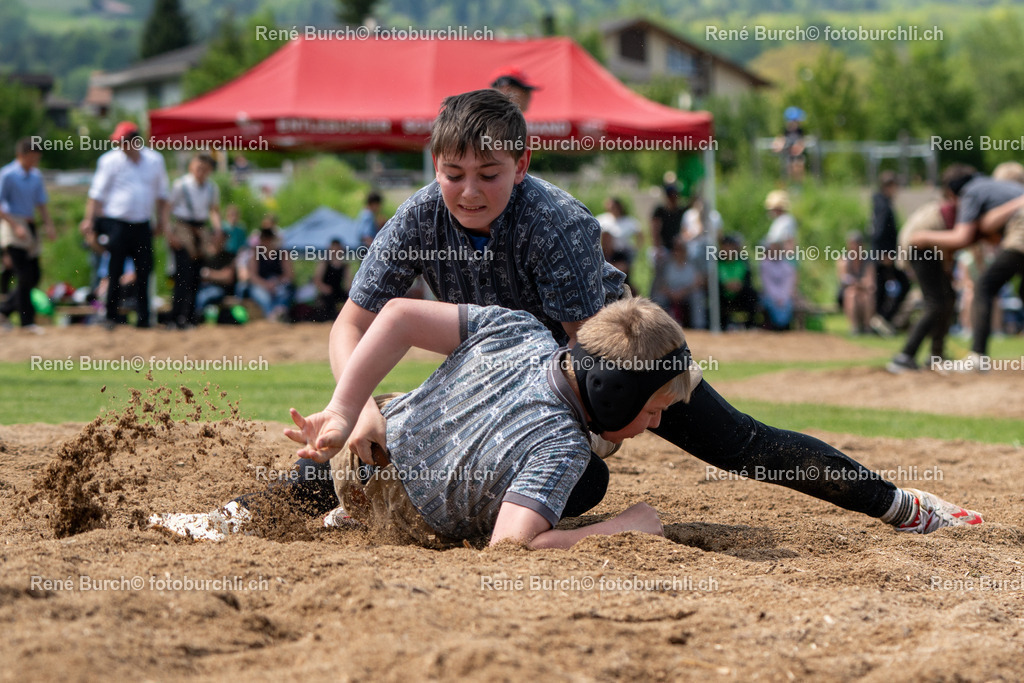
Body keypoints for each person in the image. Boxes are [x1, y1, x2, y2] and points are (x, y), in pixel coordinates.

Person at [261, 89, 978, 537]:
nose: (470, 192)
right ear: (434, 166)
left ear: (523, 163)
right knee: (359, 445)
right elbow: (357, 321)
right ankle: (256, 514)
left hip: (611, 363)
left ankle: (898, 504)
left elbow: (593, 361)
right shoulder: (420, 215)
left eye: (489, 175)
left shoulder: (556, 221)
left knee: (738, 445)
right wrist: (349, 408)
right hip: (498, 356)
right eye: (454, 175)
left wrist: (593, 433)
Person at [151, 297, 687, 546]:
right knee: (593, 481)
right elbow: (510, 547)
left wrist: (344, 409)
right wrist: (624, 527)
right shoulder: (563, 448)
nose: (654, 423)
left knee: (314, 484)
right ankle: (344, 516)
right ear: (613, 395)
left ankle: (231, 517)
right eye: (654, 410)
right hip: (404, 514)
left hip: (365, 444)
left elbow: (399, 315)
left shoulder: (518, 328)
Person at [910, 164, 1024, 371]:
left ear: (953, 192)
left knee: (985, 287)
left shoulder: (971, 192)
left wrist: (924, 237)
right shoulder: (994, 187)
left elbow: (962, 237)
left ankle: (978, 357)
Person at [80, 121, 169, 328]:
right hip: (117, 224)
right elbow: (96, 195)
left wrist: (162, 221)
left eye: (124, 142)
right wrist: (89, 221)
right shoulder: (110, 161)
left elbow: (162, 196)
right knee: (115, 270)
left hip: (142, 224)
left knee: (144, 270)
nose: (121, 146)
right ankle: (111, 316)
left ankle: (143, 317)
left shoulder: (155, 160)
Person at [886, 197, 958, 374]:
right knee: (936, 303)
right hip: (919, 248)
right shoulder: (953, 210)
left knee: (947, 298)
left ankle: (936, 356)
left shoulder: (950, 209)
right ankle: (905, 356)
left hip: (922, 247)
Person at [0, 138, 56, 333]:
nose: (34, 163)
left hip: (30, 226)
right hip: (13, 226)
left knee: (34, 275)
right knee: (23, 275)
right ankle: (26, 321)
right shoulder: (7, 174)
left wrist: (48, 224)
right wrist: (14, 225)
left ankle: (4, 310)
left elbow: (41, 202)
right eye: (32, 158)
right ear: (21, 155)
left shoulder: (36, 175)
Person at [165, 154, 221, 328]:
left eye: (205, 169)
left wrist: (218, 230)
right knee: (182, 275)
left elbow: (214, 210)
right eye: (199, 168)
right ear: (192, 167)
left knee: (196, 276)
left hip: (201, 230)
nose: (201, 172)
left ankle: (190, 316)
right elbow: (168, 209)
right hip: (183, 228)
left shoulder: (211, 188)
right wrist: (169, 233)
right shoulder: (181, 185)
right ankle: (176, 316)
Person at [870, 172, 909, 337]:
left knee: (882, 289)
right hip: (884, 255)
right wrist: (884, 254)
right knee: (902, 284)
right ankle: (882, 319)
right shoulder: (883, 206)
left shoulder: (881, 203)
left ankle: (880, 321)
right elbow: (879, 232)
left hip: (883, 254)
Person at [240, 218, 293, 321]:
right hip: (260, 284)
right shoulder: (255, 254)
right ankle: (273, 315)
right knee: (263, 296)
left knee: (283, 293)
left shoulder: (282, 254)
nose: (266, 242)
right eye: (264, 238)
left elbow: (289, 275)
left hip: (277, 283)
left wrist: (276, 282)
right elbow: (252, 276)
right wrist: (265, 284)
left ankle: (276, 313)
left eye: (268, 238)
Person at [653, 236, 701, 326]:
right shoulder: (666, 265)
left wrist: (683, 292)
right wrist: (671, 293)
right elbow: (661, 284)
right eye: (677, 249)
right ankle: (658, 325)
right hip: (670, 293)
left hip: (688, 293)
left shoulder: (692, 264)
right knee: (658, 297)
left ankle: (698, 325)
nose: (679, 252)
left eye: (682, 249)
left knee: (697, 296)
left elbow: (697, 282)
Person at [596, 197, 641, 288]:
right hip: (604, 253)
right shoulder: (602, 219)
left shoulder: (628, 221)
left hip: (622, 252)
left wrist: (635, 248)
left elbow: (640, 234)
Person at [836, 231, 875, 335]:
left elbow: (870, 282)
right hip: (848, 291)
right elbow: (843, 280)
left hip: (864, 291)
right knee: (851, 294)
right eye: (853, 244)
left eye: (858, 244)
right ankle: (854, 327)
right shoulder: (844, 260)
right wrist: (859, 284)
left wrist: (859, 284)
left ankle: (868, 327)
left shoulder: (868, 260)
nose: (855, 247)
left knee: (867, 297)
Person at [717, 234, 759, 329]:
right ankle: (721, 325)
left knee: (751, 293)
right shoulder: (716, 261)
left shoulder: (743, 261)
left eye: (731, 246)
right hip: (723, 294)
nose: (729, 249)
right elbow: (714, 282)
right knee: (714, 295)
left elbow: (749, 280)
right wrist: (725, 286)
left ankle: (750, 325)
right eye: (726, 246)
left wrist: (740, 286)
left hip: (740, 293)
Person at [195, 229, 237, 315]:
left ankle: (196, 317)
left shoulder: (229, 256)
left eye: (224, 238)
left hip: (219, 290)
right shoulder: (203, 255)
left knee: (203, 296)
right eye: (220, 238)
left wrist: (208, 274)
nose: (223, 241)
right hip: (201, 287)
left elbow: (228, 278)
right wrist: (218, 275)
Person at [759, 241, 797, 331]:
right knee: (770, 304)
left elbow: (788, 284)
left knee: (787, 305)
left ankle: (785, 329)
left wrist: (783, 297)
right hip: (771, 296)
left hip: (784, 296)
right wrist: (776, 297)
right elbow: (767, 284)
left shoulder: (787, 266)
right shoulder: (765, 265)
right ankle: (772, 328)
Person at [312, 238, 349, 321]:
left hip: (338, 291)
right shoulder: (324, 263)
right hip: (327, 292)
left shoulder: (345, 265)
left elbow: (348, 283)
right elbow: (317, 280)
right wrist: (324, 288)